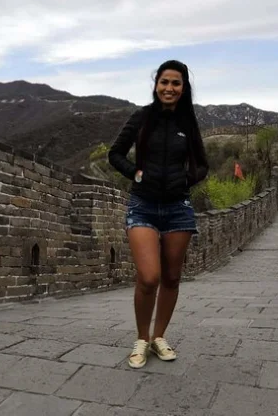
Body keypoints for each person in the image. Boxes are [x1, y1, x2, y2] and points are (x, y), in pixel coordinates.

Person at [108, 60, 209, 369]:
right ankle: (141, 338)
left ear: (183, 88)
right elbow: (115, 153)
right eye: (164, 82)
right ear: (156, 84)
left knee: (172, 277)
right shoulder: (142, 117)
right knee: (149, 277)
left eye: (176, 83)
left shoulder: (187, 123)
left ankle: (158, 337)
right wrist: (135, 173)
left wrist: (187, 180)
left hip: (178, 209)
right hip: (143, 205)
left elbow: (202, 164)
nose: (169, 88)